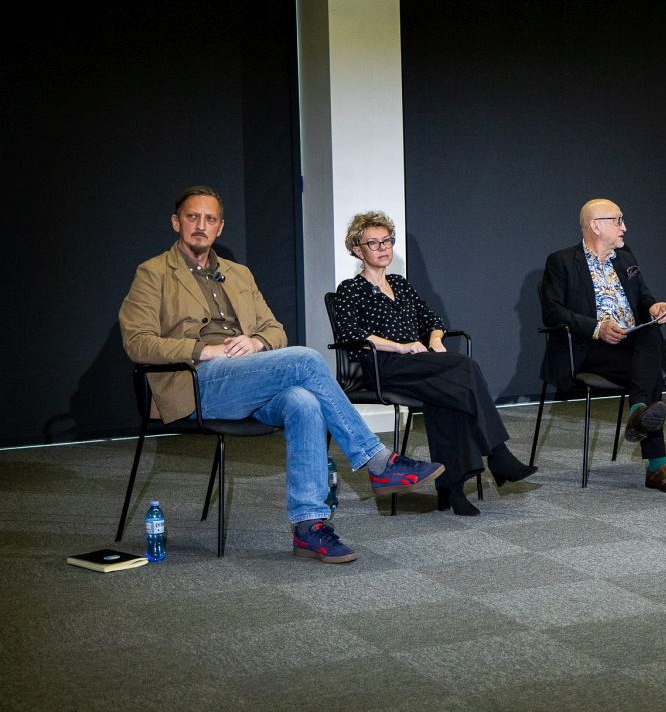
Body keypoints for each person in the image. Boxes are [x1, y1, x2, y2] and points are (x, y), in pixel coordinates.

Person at [119, 186, 444, 565]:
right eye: (193, 217)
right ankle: (378, 462)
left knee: (303, 402)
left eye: (210, 219)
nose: (201, 226)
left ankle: (309, 526)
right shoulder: (154, 273)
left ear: (220, 227)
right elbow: (137, 342)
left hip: (246, 379)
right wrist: (203, 350)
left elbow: (275, 331)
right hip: (197, 382)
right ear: (177, 223)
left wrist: (256, 342)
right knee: (306, 360)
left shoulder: (238, 274)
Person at [331, 211, 537, 516]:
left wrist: (436, 340)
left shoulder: (400, 284)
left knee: (448, 395)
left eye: (387, 240)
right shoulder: (351, 289)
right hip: (383, 367)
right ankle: (498, 453)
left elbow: (433, 320)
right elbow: (351, 334)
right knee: (464, 367)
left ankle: (453, 489)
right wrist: (400, 347)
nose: (383, 247)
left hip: (418, 365)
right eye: (373, 243)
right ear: (357, 250)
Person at [540, 198, 666, 494]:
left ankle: (639, 412)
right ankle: (657, 465)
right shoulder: (561, 261)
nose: (625, 227)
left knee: (650, 334)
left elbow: (644, 299)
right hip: (589, 348)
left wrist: (654, 308)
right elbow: (552, 312)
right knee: (651, 376)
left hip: (630, 345)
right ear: (596, 226)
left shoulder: (625, 259)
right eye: (618, 220)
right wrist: (598, 328)